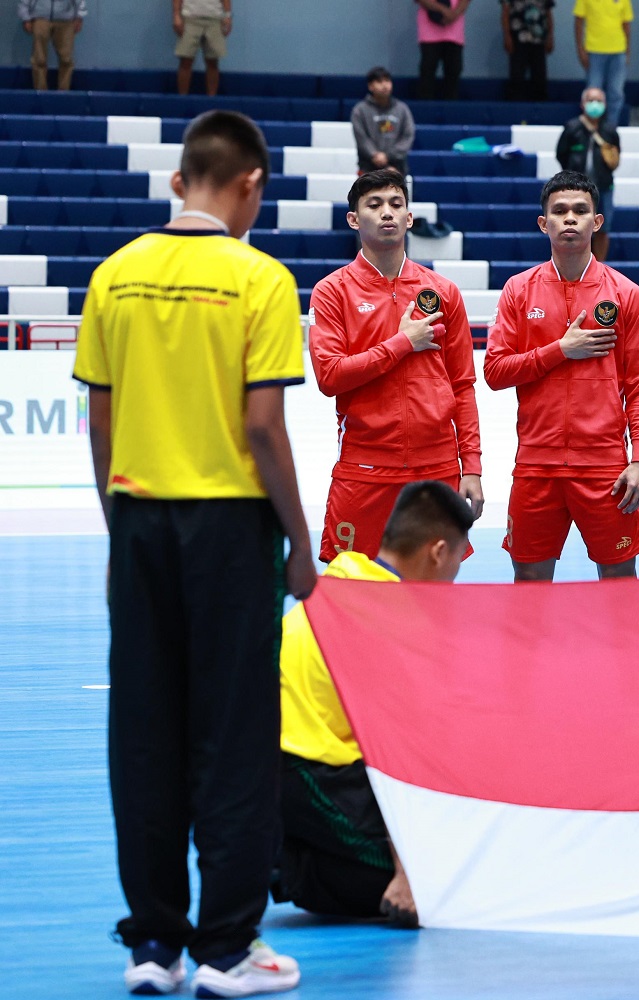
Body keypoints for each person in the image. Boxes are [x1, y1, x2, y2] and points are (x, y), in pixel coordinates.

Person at [73, 109, 313, 998]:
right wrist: (298, 540)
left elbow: (99, 425)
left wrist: (118, 531)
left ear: (182, 179)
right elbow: (262, 426)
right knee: (234, 737)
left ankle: (154, 946)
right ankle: (227, 948)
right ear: (249, 183)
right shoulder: (260, 279)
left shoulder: (115, 275)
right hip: (228, 531)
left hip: (138, 521)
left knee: (143, 733)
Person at [274, 480, 475, 929]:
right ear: (438, 552)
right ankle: (288, 861)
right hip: (302, 767)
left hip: (263, 759)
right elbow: (398, 757)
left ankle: (288, 849)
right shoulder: (398, 622)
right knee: (442, 878)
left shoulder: (346, 574)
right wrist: (407, 874)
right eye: (457, 566)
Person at [484, 171, 639, 582]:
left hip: (605, 467)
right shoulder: (518, 290)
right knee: (529, 584)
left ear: (597, 221)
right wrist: (560, 350)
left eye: (580, 211)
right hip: (536, 464)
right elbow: (494, 371)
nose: (570, 219)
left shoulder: (625, 292)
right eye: (559, 211)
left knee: (619, 585)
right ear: (544, 223)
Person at [308, 167, 484, 564]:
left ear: (409, 217)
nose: (386, 212)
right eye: (374, 205)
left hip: (437, 469)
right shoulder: (332, 291)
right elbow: (330, 376)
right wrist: (402, 343)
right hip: (365, 467)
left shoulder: (442, 292)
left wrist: (470, 466)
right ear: (354, 219)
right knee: (354, 598)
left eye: (395, 204)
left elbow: (463, 386)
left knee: (432, 599)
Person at [555, 88, 621, 261]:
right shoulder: (572, 128)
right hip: (575, 190)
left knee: (603, 229)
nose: (595, 104)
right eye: (591, 100)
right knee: (576, 228)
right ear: (583, 104)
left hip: (604, 187)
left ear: (605, 105)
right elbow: (561, 154)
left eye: (599, 101)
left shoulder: (609, 130)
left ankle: (599, 267)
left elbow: (615, 158)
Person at [574, 0, 632, 127]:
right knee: (593, 93)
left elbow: (626, 24)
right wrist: (580, 49)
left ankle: (611, 128)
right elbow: (578, 22)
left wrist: (627, 51)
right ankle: (590, 128)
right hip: (594, 50)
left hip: (618, 51)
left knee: (616, 93)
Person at [351, 67, 416, 177]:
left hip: (397, 168)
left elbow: (408, 136)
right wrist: (375, 155)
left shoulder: (402, 109)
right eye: (379, 82)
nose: (384, 85)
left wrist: (388, 156)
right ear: (370, 86)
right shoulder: (359, 110)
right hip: (368, 168)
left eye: (387, 81)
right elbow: (361, 138)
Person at [20, 0, 84, 91]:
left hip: (66, 20)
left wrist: (79, 16)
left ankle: (64, 93)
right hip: (40, 18)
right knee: (39, 59)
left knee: (66, 59)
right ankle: (40, 93)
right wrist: (25, 17)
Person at [172, 0, 229, 97]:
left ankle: (212, 100)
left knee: (212, 61)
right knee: (185, 60)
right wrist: (176, 15)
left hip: (214, 18)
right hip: (190, 18)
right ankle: (182, 99)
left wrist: (228, 15)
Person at [415, 0, 469, 100]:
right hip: (429, 33)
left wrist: (454, 14)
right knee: (427, 72)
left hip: (454, 34)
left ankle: (451, 108)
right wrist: (443, 10)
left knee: (454, 71)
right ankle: (426, 108)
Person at [503, 0, 554, 101]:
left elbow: (548, 14)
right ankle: (515, 108)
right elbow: (505, 13)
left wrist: (550, 37)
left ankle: (540, 109)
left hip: (538, 40)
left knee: (540, 78)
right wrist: (506, 36)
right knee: (516, 77)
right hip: (517, 40)